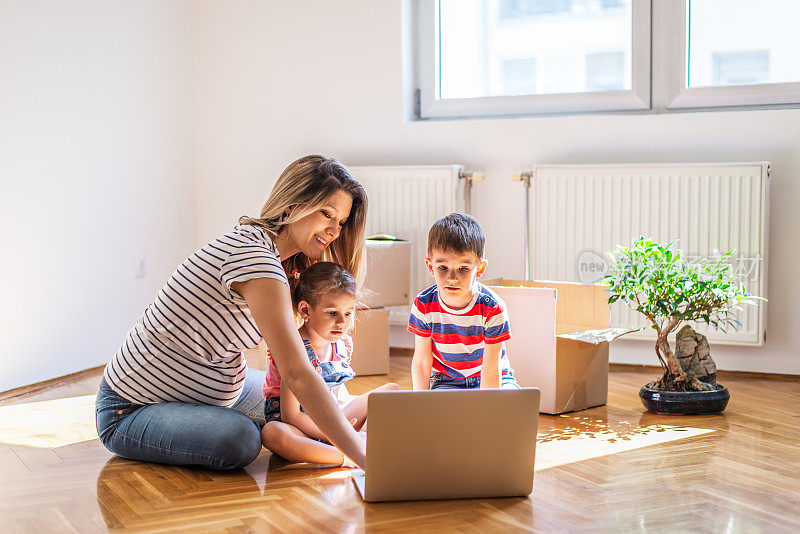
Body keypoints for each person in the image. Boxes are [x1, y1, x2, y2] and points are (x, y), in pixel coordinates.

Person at [95, 155, 370, 470]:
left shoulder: (277, 258)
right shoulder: (257, 261)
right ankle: (346, 454)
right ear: (293, 205)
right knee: (242, 440)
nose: (335, 229)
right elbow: (296, 372)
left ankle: (343, 444)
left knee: (296, 411)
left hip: (214, 395)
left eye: (341, 221)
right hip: (130, 409)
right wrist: (361, 458)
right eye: (327, 214)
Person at [260, 262, 400, 465]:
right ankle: (344, 457)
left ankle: (364, 445)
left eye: (348, 313)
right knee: (272, 433)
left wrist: (343, 423)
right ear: (306, 310)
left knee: (392, 391)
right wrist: (333, 434)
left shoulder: (342, 344)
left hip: (331, 420)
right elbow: (291, 415)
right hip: (298, 426)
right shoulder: (293, 348)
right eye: (332, 312)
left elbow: (334, 398)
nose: (342, 321)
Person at [408, 213, 519, 390]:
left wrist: (489, 411)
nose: (452, 278)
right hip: (447, 381)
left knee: (512, 406)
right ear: (430, 267)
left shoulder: (493, 308)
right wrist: (421, 405)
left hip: (493, 377)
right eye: (443, 268)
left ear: (480, 268)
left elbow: (492, 369)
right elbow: (421, 361)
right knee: (442, 415)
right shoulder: (424, 305)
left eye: (463, 269)